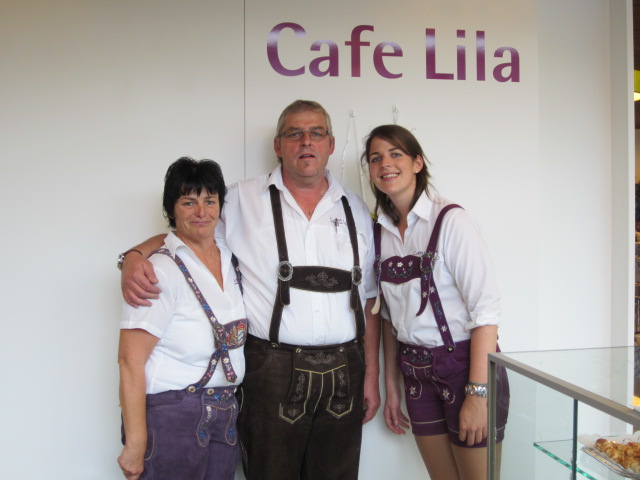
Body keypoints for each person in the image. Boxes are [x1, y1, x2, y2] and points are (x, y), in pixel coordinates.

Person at [119, 100, 381, 480]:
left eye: (316, 133)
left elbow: (368, 300)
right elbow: (192, 228)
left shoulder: (356, 208)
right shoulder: (241, 198)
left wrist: (371, 376)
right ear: (278, 145)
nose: (306, 141)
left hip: (346, 371)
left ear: (331, 143)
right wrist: (134, 255)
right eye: (294, 133)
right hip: (271, 370)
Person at [362, 125, 509, 480]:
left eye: (396, 154)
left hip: (466, 367)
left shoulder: (452, 221)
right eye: (376, 158)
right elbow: (389, 321)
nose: (385, 164)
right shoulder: (378, 233)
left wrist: (478, 395)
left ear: (417, 163)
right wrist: (392, 388)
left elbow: (486, 313)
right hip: (415, 372)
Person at [117, 157, 247, 480]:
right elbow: (130, 361)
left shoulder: (231, 256)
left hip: (225, 413)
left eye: (209, 201)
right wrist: (135, 443)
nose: (201, 211)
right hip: (172, 417)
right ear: (171, 210)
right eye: (188, 202)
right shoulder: (158, 271)